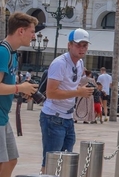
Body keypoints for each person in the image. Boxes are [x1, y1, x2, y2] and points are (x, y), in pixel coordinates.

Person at [0, 12, 39, 177]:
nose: (34, 36)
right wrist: (19, 88)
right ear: (21, 31)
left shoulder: (14, 54)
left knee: (11, 160)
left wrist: (22, 91)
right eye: (32, 32)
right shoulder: (3, 52)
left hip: (3, 116)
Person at [40, 28, 94, 169]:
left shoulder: (79, 63)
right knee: (50, 161)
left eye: (85, 45)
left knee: (65, 161)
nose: (82, 49)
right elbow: (51, 93)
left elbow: (73, 81)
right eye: (78, 45)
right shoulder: (60, 63)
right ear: (69, 45)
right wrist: (78, 92)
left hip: (68, 117)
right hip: (53, 117)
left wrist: (88, 85)